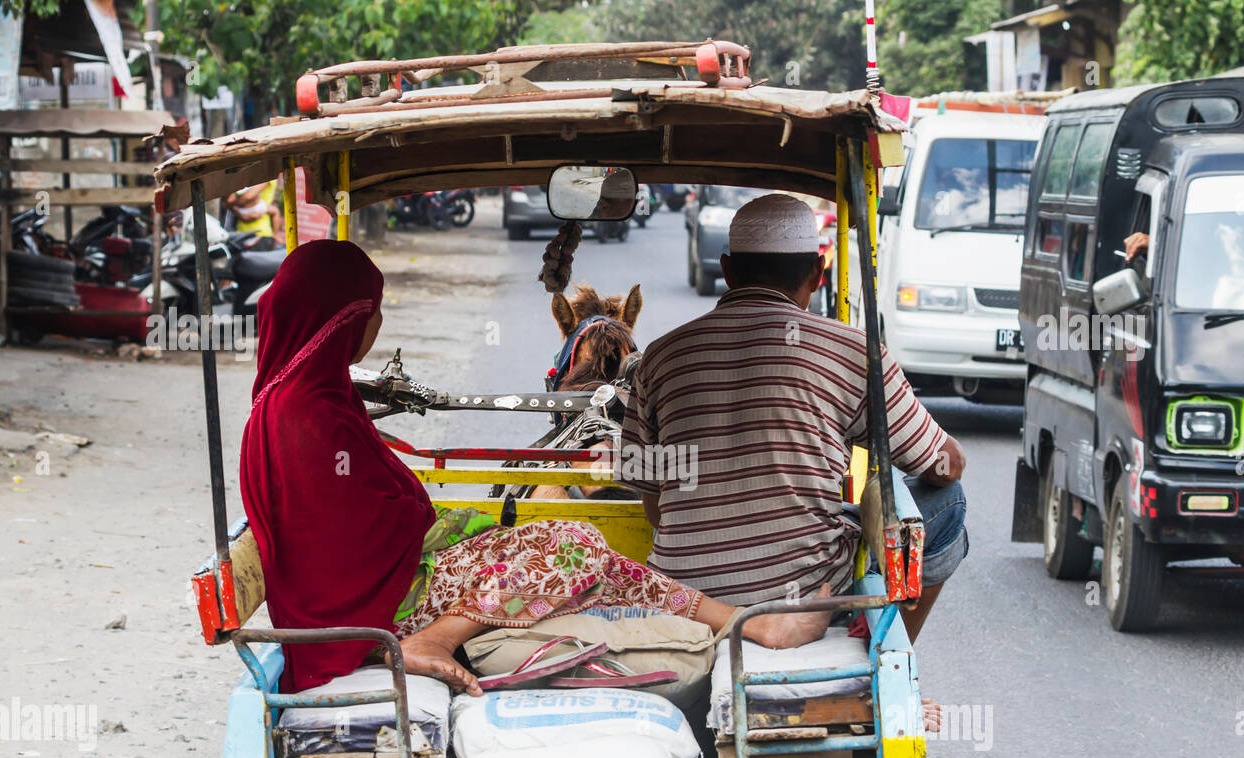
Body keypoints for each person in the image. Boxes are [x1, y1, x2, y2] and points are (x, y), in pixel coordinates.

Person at [239, 240, 833, 696]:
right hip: (385, 602)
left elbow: (351, 519)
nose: (379, 326)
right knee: (573, 544)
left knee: (574, 553)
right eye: (374, 311)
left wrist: (448, 528)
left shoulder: (295, 397)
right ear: (344, 318)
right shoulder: (311, 413)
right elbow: (344, 540)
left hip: (394, 576)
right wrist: (442, 534)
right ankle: (435, 641)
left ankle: (750, 625)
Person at [620, 193, 968, 645]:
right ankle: (897, 653)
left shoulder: (660, 357)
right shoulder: (854, 353)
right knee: (951, 503)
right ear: (818, 274)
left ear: (726, 271)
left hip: (684, 595)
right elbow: (946, 466)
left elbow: (652, 505)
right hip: (804, 595)